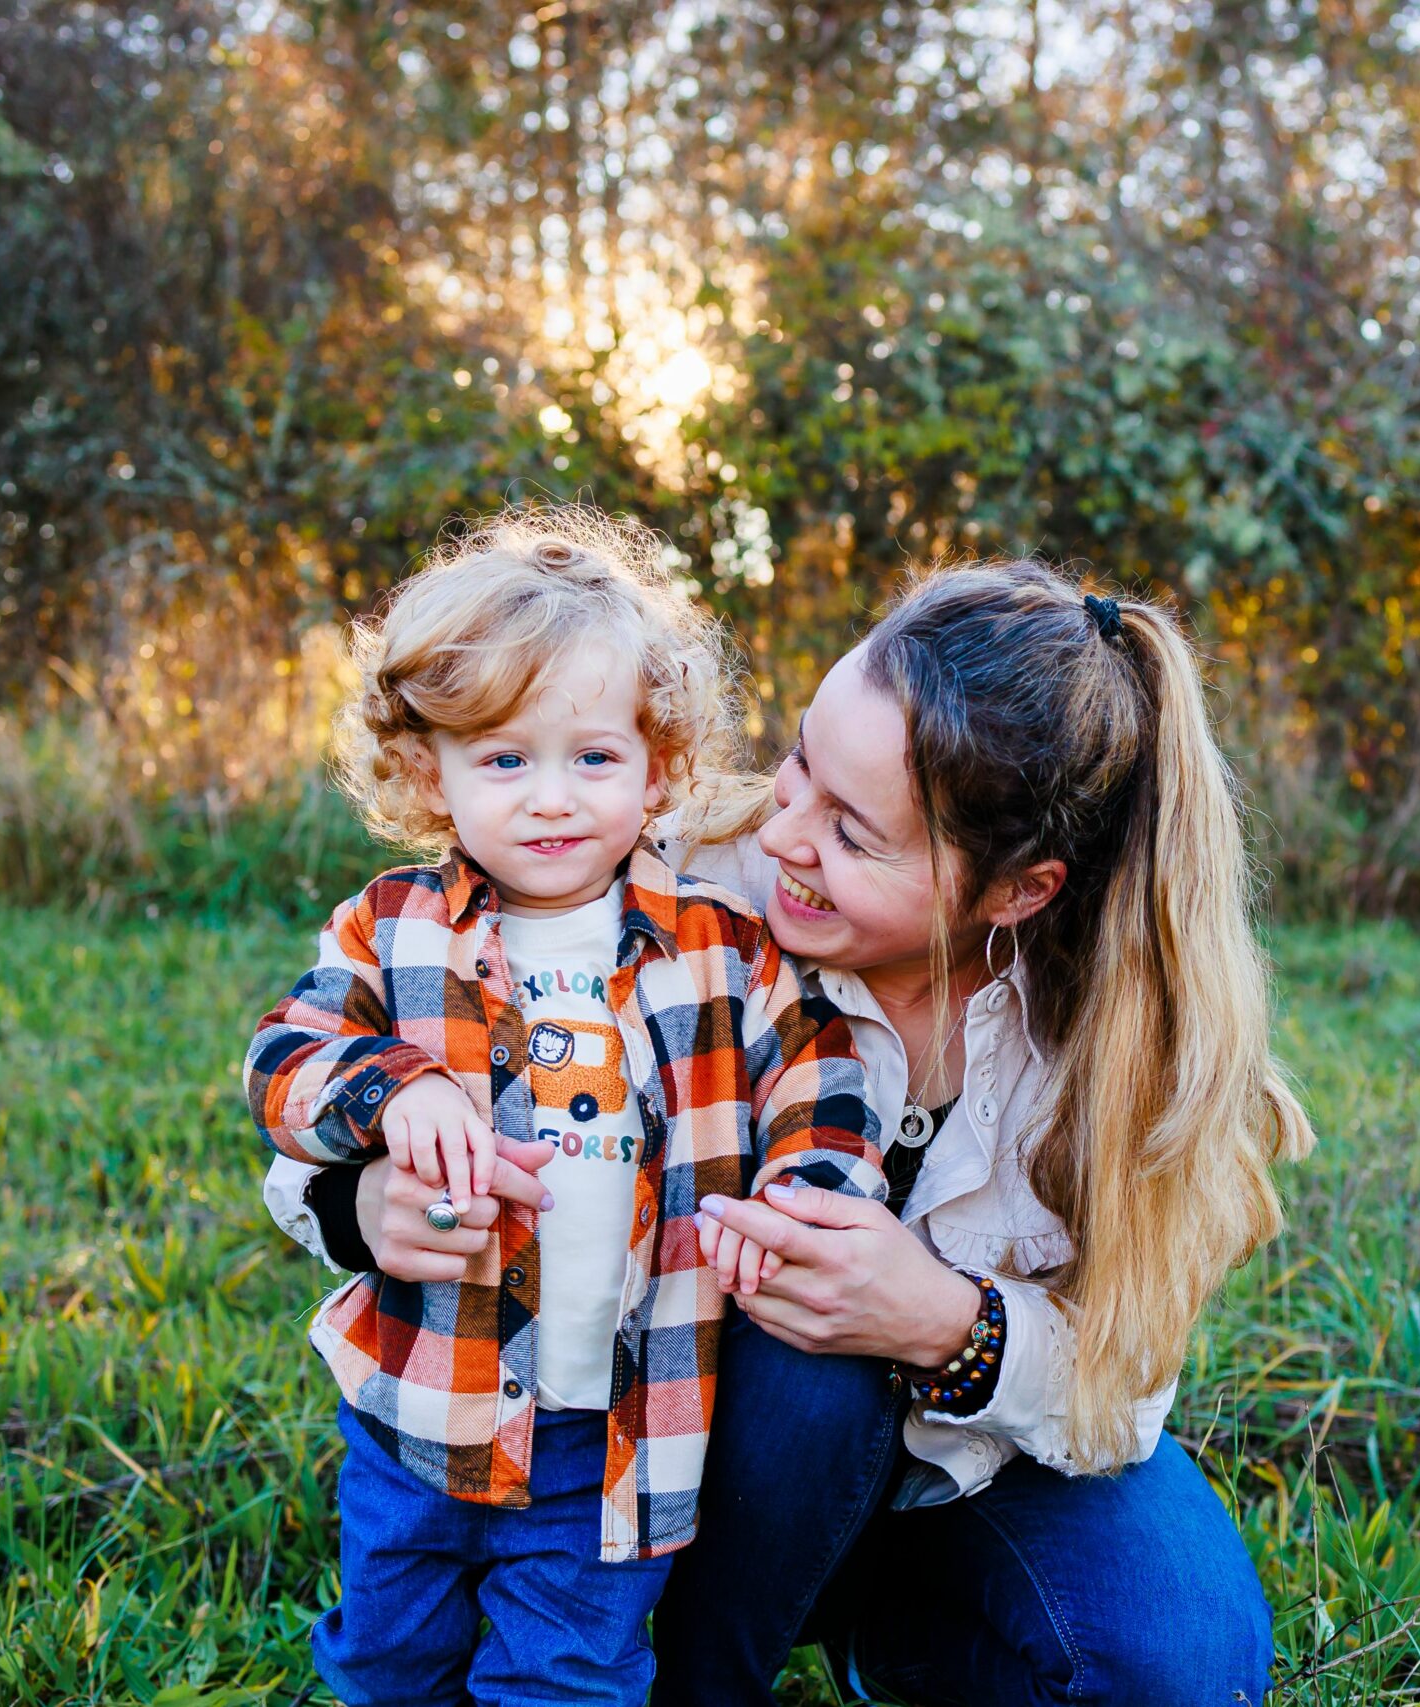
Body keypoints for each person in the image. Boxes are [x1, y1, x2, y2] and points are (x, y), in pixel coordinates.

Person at [267, 558, 1316, 1706]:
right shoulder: (657, 870)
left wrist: (941, 1322)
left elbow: (1128, 1387)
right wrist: (359, 1205)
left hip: (984, 1465)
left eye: (855, 834)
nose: (783, 838)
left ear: (1016, 892)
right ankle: (705, 1673)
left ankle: (892, 1632)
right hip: (685, 1439)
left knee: (1176, 1668)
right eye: (802, 763)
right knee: (811, 1368)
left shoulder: (1130, 1042)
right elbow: (330, 1096)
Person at [245, 507, 883, 1707]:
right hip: (421, 1408)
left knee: (572, 1675)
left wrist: (804, 1190)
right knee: (393, 1662)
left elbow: (819, 1070)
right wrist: (395, 1091)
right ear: (425, 769)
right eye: (503, 759)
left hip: (618, 1432)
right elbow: (285, 1057)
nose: (551, 798)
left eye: (593, 757)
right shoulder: (393, 926)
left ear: (658, 766)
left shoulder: (720, 948)